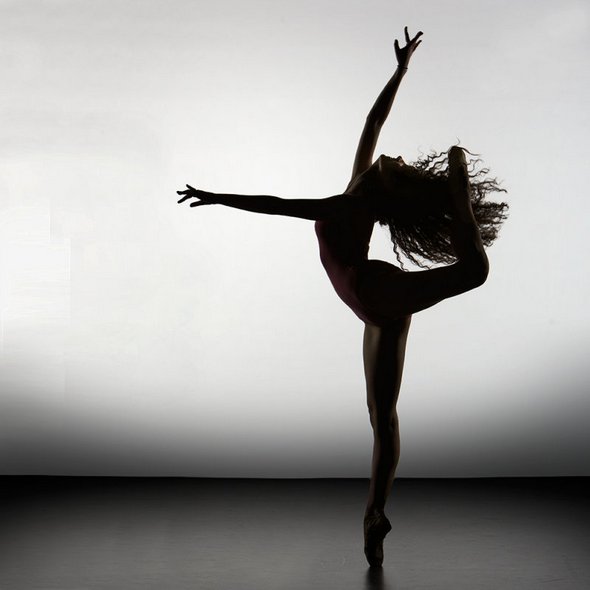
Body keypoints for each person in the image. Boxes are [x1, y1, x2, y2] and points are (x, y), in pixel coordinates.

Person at [176, 26, 508, 568]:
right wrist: (400, 71)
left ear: (386, 187)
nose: (394, 157)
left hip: (369, 291)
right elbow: (374, 122)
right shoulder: (359, 186)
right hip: (373, 303)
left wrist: (218, 197)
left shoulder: (349, 204)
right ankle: (374, 514)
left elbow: (278, 204)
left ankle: (459, 194)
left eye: (396, 166)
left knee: (473, 273)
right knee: (382, 416)